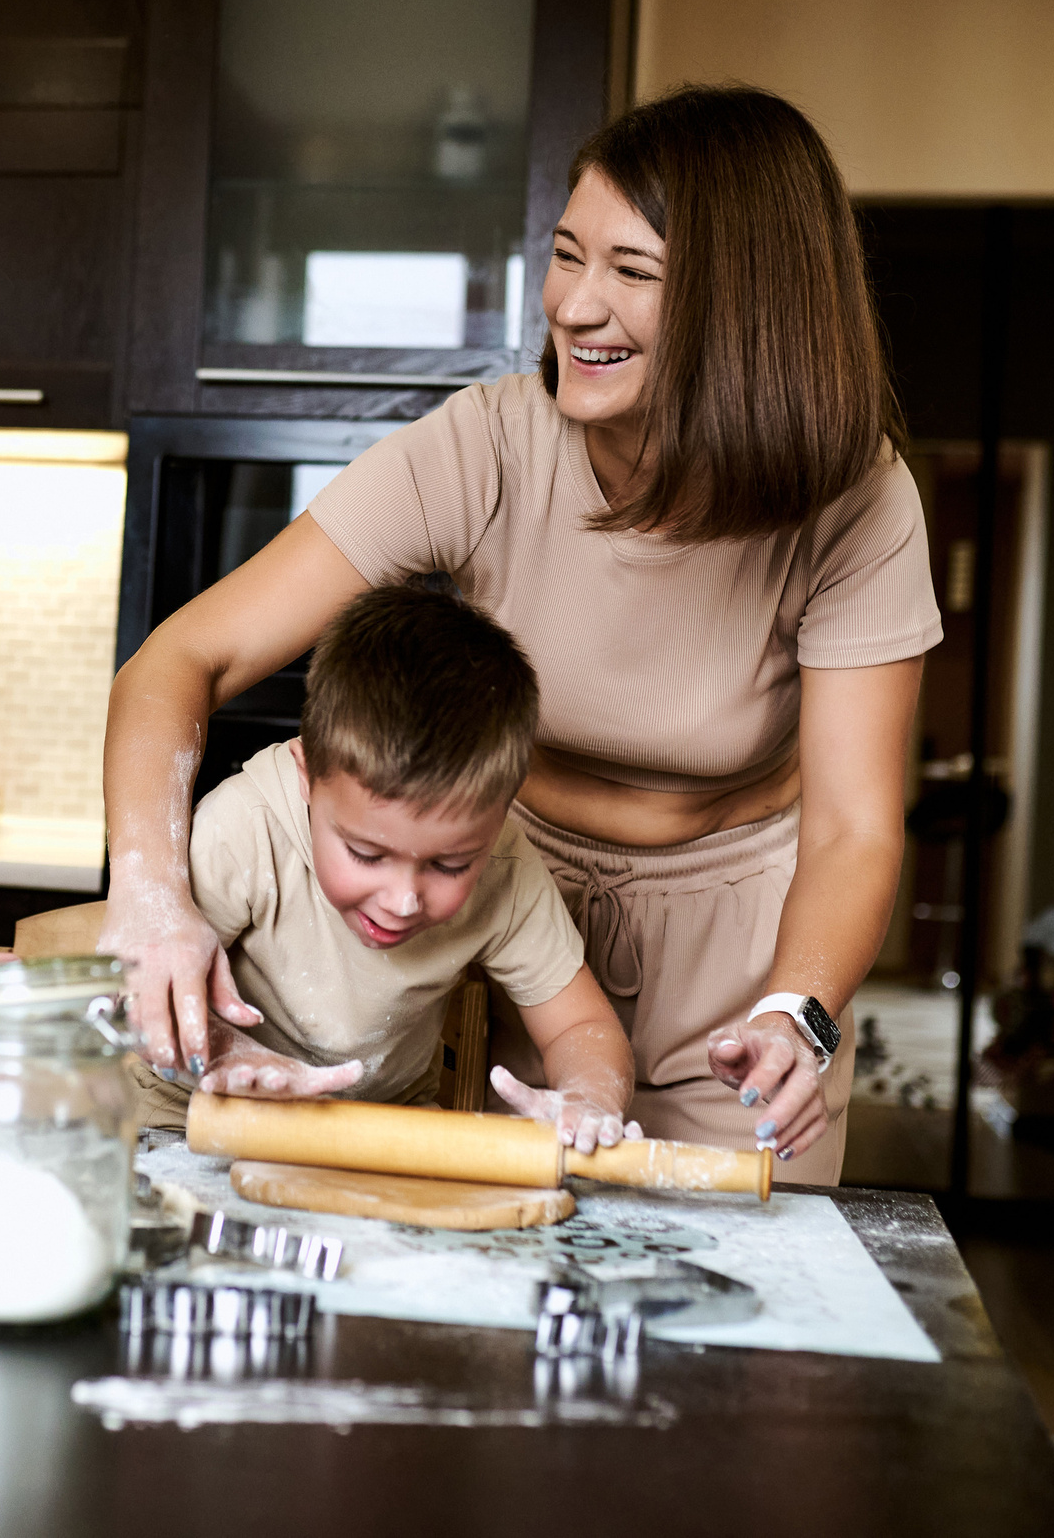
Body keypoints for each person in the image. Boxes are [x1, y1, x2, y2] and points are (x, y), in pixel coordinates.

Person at [101, 85, 941, 1184]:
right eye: (566, 253)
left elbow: (851, 829)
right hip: (506, 901)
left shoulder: (856, 500)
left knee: (728, 1304)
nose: (575, 306)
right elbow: (181, 657)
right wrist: (153, 897)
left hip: (748, 946)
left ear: (746, 309)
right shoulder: (489, 444)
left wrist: (800, 1009)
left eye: (631, 273)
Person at [136, 584, 637, 1151]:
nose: (402, 900)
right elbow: (143, 993)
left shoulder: (506, 868)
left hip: (376, 1135)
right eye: (367, 855)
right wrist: (228, 1051)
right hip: (183, 1120)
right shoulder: (246, 828)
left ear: (501, 815)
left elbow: (581, 1027)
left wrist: (590, 1098)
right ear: (307, 775)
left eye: (449, 864)